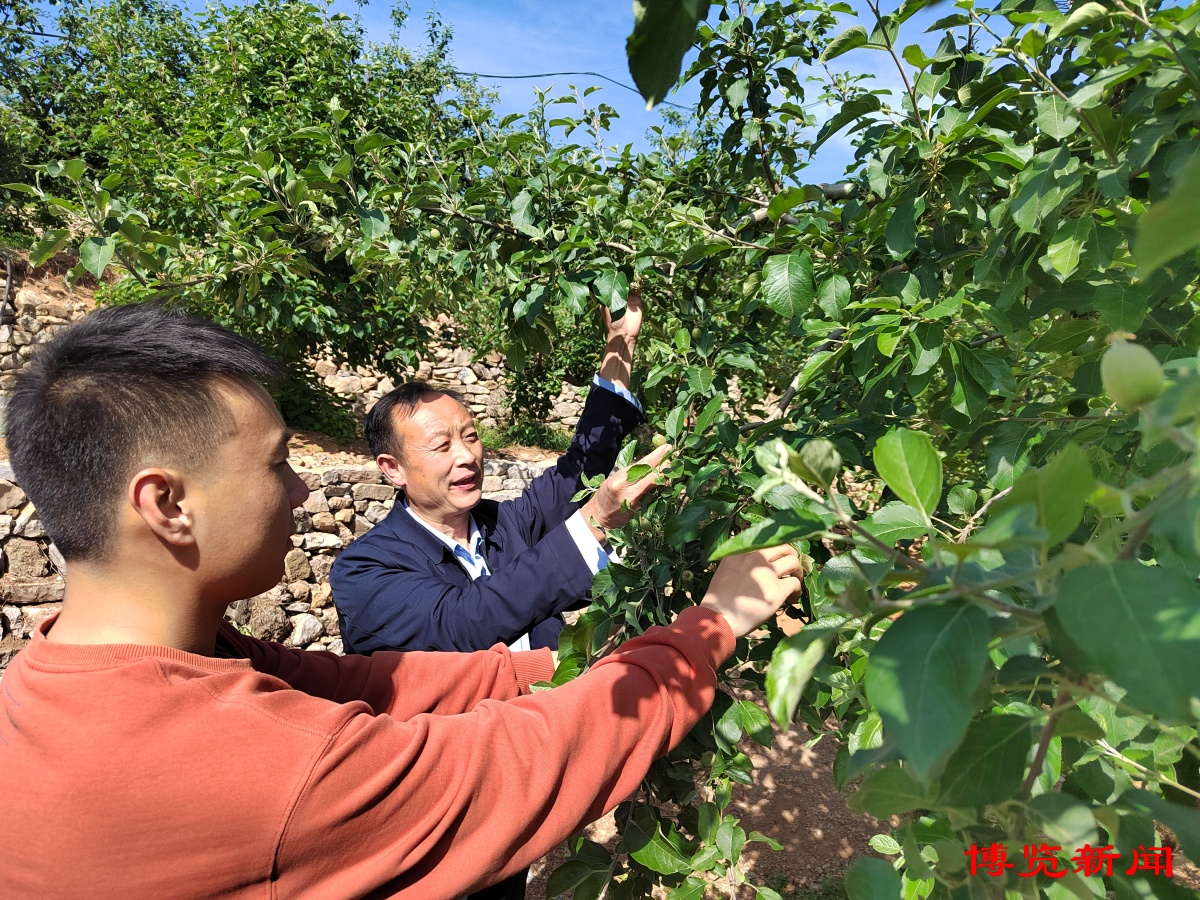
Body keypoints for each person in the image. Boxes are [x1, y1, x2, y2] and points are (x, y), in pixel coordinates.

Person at [0, 302, 803, 899]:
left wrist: (591, 660)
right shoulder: (346, 613)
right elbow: (493, 722)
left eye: (470, 437)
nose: (302, 490)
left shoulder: (97, 670)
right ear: (168, 504)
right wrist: (707, 628)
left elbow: (384, 682)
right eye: (277, 464)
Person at [331, 290, 656, 655]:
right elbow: (461, 622)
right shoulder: (364, 570)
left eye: (470, 437)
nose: (467, 456)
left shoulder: (508, 525)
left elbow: (582, 465)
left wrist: (621, 341)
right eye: (442, 445)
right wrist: (594, 521)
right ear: (393, 469)